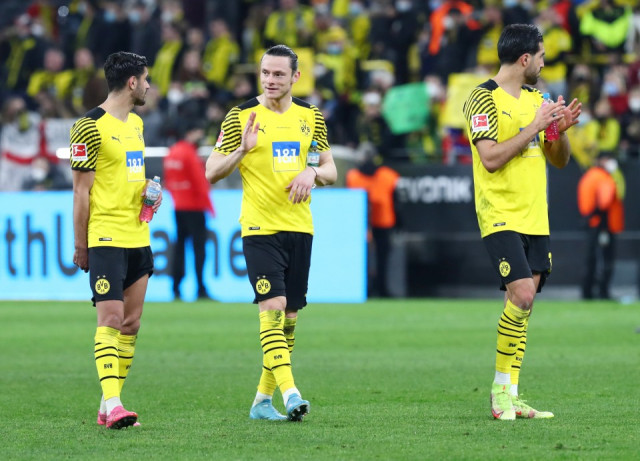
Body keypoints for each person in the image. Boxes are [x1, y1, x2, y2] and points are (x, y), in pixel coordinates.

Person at [205, 44, 337, 422]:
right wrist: (241, 152)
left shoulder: (310, 116)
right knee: (273, 307)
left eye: (279, 74)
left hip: (300, 227)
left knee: (290, 317)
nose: (270, 80)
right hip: (259, 228)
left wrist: (312, 172)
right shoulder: (241, 116)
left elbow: (330, 170)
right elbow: (211, 172)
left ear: (296, 77)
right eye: (265, 73)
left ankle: (262, 401)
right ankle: (291, 393)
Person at [462, 24, 581, 421]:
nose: (544, 63)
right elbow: (490, 159)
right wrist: (535, 127)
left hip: (535, 215)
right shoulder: (482, 97)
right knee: (524, 295)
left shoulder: (538, 99)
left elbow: (559, 159)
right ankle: (499, 391)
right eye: (541, 56)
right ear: (525, 58)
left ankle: (512, 394)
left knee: (522, 306)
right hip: (500, 213)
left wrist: (558, 131)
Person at [70, 51, 159, 430]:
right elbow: (81, 192)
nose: (149, 86)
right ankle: (116, 403)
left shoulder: (136, 124)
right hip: (105, 236)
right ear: (132, 82)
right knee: (110, 319)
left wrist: (150, 191)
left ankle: (108, 406)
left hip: (138, 234)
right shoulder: (88, 127)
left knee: (132, 323)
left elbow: (131, 174)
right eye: (146, 79)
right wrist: (81, 244)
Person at [163, 121, 215, 300]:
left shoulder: (172, 152)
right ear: (191, 132)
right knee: (199, 249)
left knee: (179, 248)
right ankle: (200, 288)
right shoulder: (189, 153)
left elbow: (169, 181)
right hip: (195, 207)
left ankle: (176, 287)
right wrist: (210, 207)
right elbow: (200, 182)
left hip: (178, 207)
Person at [346, 150, 399, 298]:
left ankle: (379, 288)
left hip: (380, 221)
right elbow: (397, 202)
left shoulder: (355, 176)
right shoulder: (387, 175)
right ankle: (370, 288)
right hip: (364, 222)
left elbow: (396, 201)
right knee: (368, 258)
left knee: (379, 257)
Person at [577, 151, 625, 300]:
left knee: (591, 258)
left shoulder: (589, 176)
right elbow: (604, 203)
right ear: (602, 160)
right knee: (605, 259)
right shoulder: (603, 177)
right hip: (603, 224)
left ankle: (587, 291)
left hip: (592, 223)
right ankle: (603, 292)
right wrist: (602, 224)